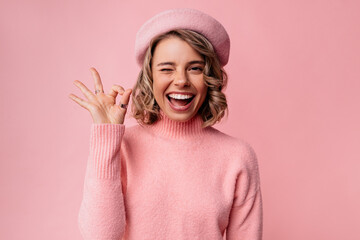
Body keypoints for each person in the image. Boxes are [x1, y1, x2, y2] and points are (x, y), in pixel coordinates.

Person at [69, 8, 263, 240]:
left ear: (210, 77)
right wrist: (105, 137)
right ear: (150, 78)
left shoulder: (237, 157)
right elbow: (100, 236)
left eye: (195, 68)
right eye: (166, 69)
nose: (181, 80)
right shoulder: (122, 146)